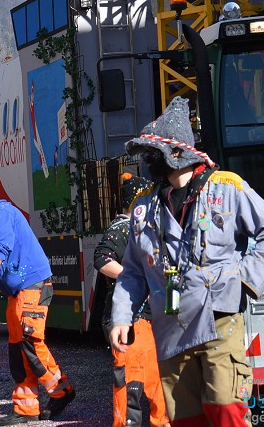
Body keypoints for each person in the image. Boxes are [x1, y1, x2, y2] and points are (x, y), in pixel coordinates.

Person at [109, 97, 264, 426]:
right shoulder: (143, 207)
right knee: (185, 420)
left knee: (226, 412)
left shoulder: (227, 189)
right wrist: (121, 317)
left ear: (177, 154)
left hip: (218, 321)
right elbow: (133, 272)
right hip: (171, 328)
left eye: (153, 153)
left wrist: (243, 280)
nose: (147, 162)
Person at [0, 182, 75, 424]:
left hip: (30, 287)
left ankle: (62, 391)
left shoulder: (0, 213)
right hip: (20, 291)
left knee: (30, 344)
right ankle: (26, 409)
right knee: (18, 349)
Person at [94, 176, 168, 427]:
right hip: (130, 319)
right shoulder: (123, 227)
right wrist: (136, 277)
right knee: (131, 379)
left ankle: (162, 421)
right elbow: (102, 259)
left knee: (154, 375)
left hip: (145, 317)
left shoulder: (145, 227)